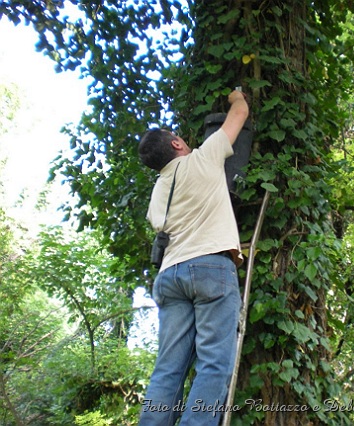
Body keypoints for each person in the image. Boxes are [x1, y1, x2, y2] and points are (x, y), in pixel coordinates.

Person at [138, 90, 249, 426]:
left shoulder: (158, 192)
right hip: (210, 268)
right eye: (177, 136)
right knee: (214, 363)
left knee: (168, 368)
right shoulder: (204, 157)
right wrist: (235, 95)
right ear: (175, 145)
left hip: (170, 276)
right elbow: (240, 113)